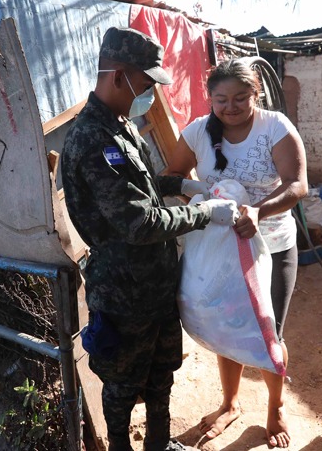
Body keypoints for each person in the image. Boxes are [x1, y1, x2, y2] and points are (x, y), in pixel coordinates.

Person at [61, 27, 241, 451]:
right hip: (124, 294)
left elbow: (138, 190)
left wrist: (180, 184)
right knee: (123, 385)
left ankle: (159, 445)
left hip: (155, 287)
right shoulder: (91, 139)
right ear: (119, 76)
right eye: (145, 84)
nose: (150, 95)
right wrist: (203, 213)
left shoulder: (121, 129)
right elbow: (137, 222)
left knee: (162, 375)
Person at [164, 59, 308, 448]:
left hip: (272, 246)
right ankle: (230, 404)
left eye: (241, 98)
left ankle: (275, 408)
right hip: (221, 251)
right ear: (210, 98)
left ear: (255, 94)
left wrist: (259, 212)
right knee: (228, 325)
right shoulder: (196, 132)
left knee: (267, 329)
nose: (231, 107)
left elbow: (298, 186)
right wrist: (205, 198)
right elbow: (171, 177)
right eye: (222, 99)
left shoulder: (274, 127)